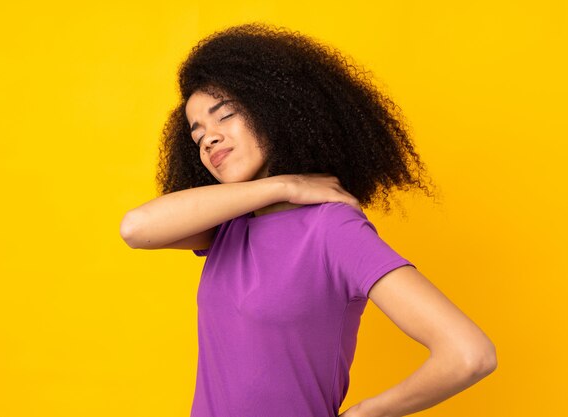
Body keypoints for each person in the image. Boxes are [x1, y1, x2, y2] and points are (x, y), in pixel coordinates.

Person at [120, 22, 497, 417]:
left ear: (274, 108)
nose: (209, 138)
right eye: (198, 136)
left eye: (225, 115)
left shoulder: (331, 229)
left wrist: (366, 414)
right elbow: (136, 228)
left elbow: (469, 354)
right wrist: (287, 186)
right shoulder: (227, 226)